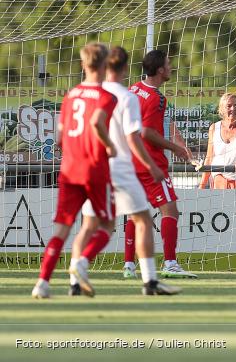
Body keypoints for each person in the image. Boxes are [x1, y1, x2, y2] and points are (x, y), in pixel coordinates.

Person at [70, 46, 180, 296]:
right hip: (121, 165)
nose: (171, 67)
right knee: (142, 218)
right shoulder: (128, 95)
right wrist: (152, 165)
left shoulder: (87, 92)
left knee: (90, 226)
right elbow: (137, 136)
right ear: (124, 67)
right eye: (169, 64)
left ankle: (74, 275)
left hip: (89, 166)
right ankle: (152, 278)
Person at [32, 43, 118, 299]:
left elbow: (59, 138)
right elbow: (96, 122)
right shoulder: (107, 97)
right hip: (94, 168)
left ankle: (42, 283)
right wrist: (110, 145)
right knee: (107, 224)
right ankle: (82, 263)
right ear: (104, 66)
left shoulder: (70, 96)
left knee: (62, 229)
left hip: (69, 168)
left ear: (83, 65)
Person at [124, 49, 196, 279]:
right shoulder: (156, 98)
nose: (171, 67)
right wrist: (176, 149)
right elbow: (147, 133)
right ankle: (170, 263)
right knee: (170, 210)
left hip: (130, 160)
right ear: (160, 70)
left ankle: (128, 265)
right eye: (168, 64)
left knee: (136, 213)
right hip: (151, 163)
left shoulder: (133, 89)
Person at [200, 92, 236, 190]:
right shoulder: (214, 127)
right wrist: (201, 186)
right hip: (219, 178)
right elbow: (209, 158)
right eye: (229, 106)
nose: (233, 109)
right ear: (222, 109)